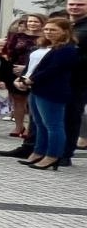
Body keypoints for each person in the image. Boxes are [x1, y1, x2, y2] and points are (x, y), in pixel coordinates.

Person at [13, 16, 80, 170]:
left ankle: (53, 155)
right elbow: (36, 67)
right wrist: (23, 78)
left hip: (53, 90)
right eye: (47, 29)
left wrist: (31, 80)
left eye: (53, 30)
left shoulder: (68, 49)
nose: (49, 32)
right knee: (39, 124)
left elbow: (54, 70)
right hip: (38, 88)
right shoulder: (51, 47)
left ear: (65, 31)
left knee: (53, 125)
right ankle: (38, 151)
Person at [2, 13, 43, 139]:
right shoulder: (18, 36)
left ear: (42, 23)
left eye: (36, 21)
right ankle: (19, 126)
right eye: (30, 21)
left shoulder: (46, 37)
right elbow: (9, 51)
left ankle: (30, 128)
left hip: (35, 71)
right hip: (16, 70)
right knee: (18, 100)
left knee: (32, 102)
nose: (32, 24)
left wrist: (25, 69)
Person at [67, 0, 87, 164]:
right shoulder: (65, 23)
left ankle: (65, 154)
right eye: (72, 4)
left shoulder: (84, 28)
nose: (75, 7)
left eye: (80, 4)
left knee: (72, 115)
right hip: (60, 76)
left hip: (78, 77)